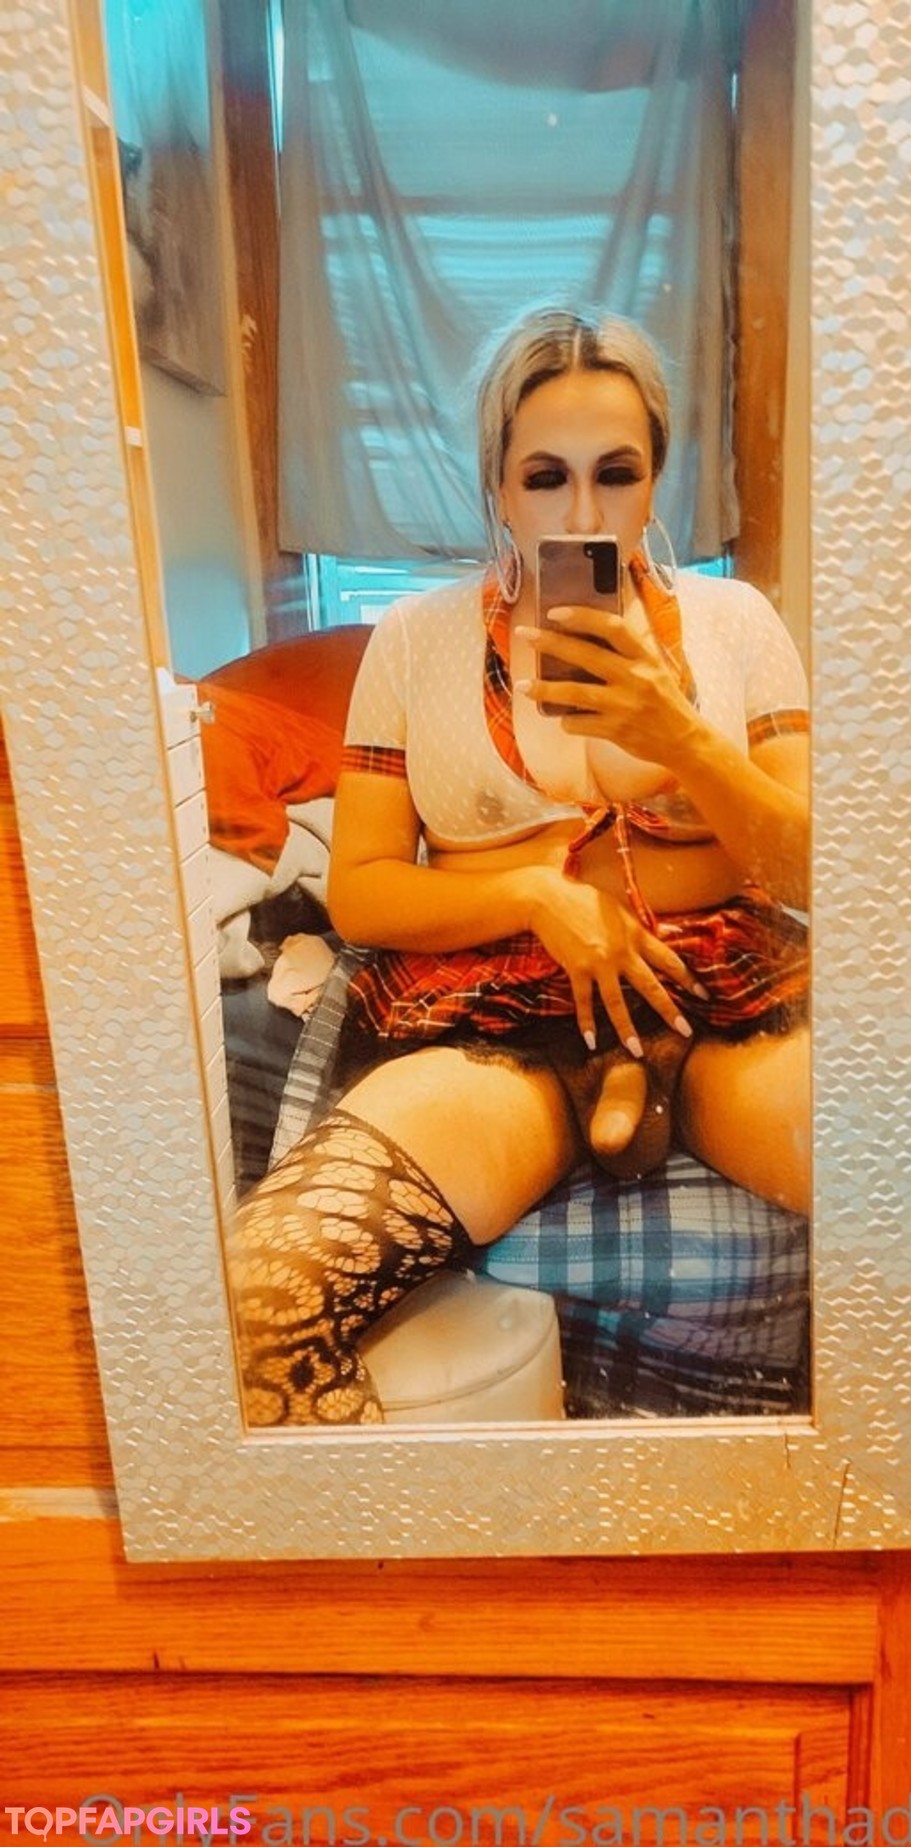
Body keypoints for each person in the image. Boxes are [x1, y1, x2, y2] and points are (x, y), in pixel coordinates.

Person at [226, 305, 810, 1426]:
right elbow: (361, 888)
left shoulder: (736, 623)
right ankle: (416, 1575)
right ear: (498, 484)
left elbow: (813, 872)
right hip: (503, 1015)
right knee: (261, 1302)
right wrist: (535, 894)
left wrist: (681, 735)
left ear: (656, 481)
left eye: (617, 474)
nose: (583, 515)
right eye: (546, 476)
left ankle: (647, 1087)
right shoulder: (414, 640)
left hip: (726, 1005)